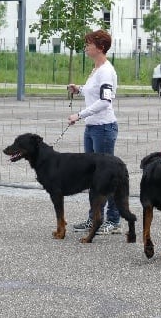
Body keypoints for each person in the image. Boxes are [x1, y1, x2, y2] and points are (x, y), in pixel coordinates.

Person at [67, 30, 122, 236]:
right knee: (93, 177)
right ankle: (94, 218)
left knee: (106, 177)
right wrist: (79, 89)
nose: (86, 47)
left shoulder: (106, 71)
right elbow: (93, 92)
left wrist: (79, 115)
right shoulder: (96, 69)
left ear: (100, 47)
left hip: (103, 129)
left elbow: (105, 101)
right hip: (92, 128)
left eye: (89, 44)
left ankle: (114, 220)